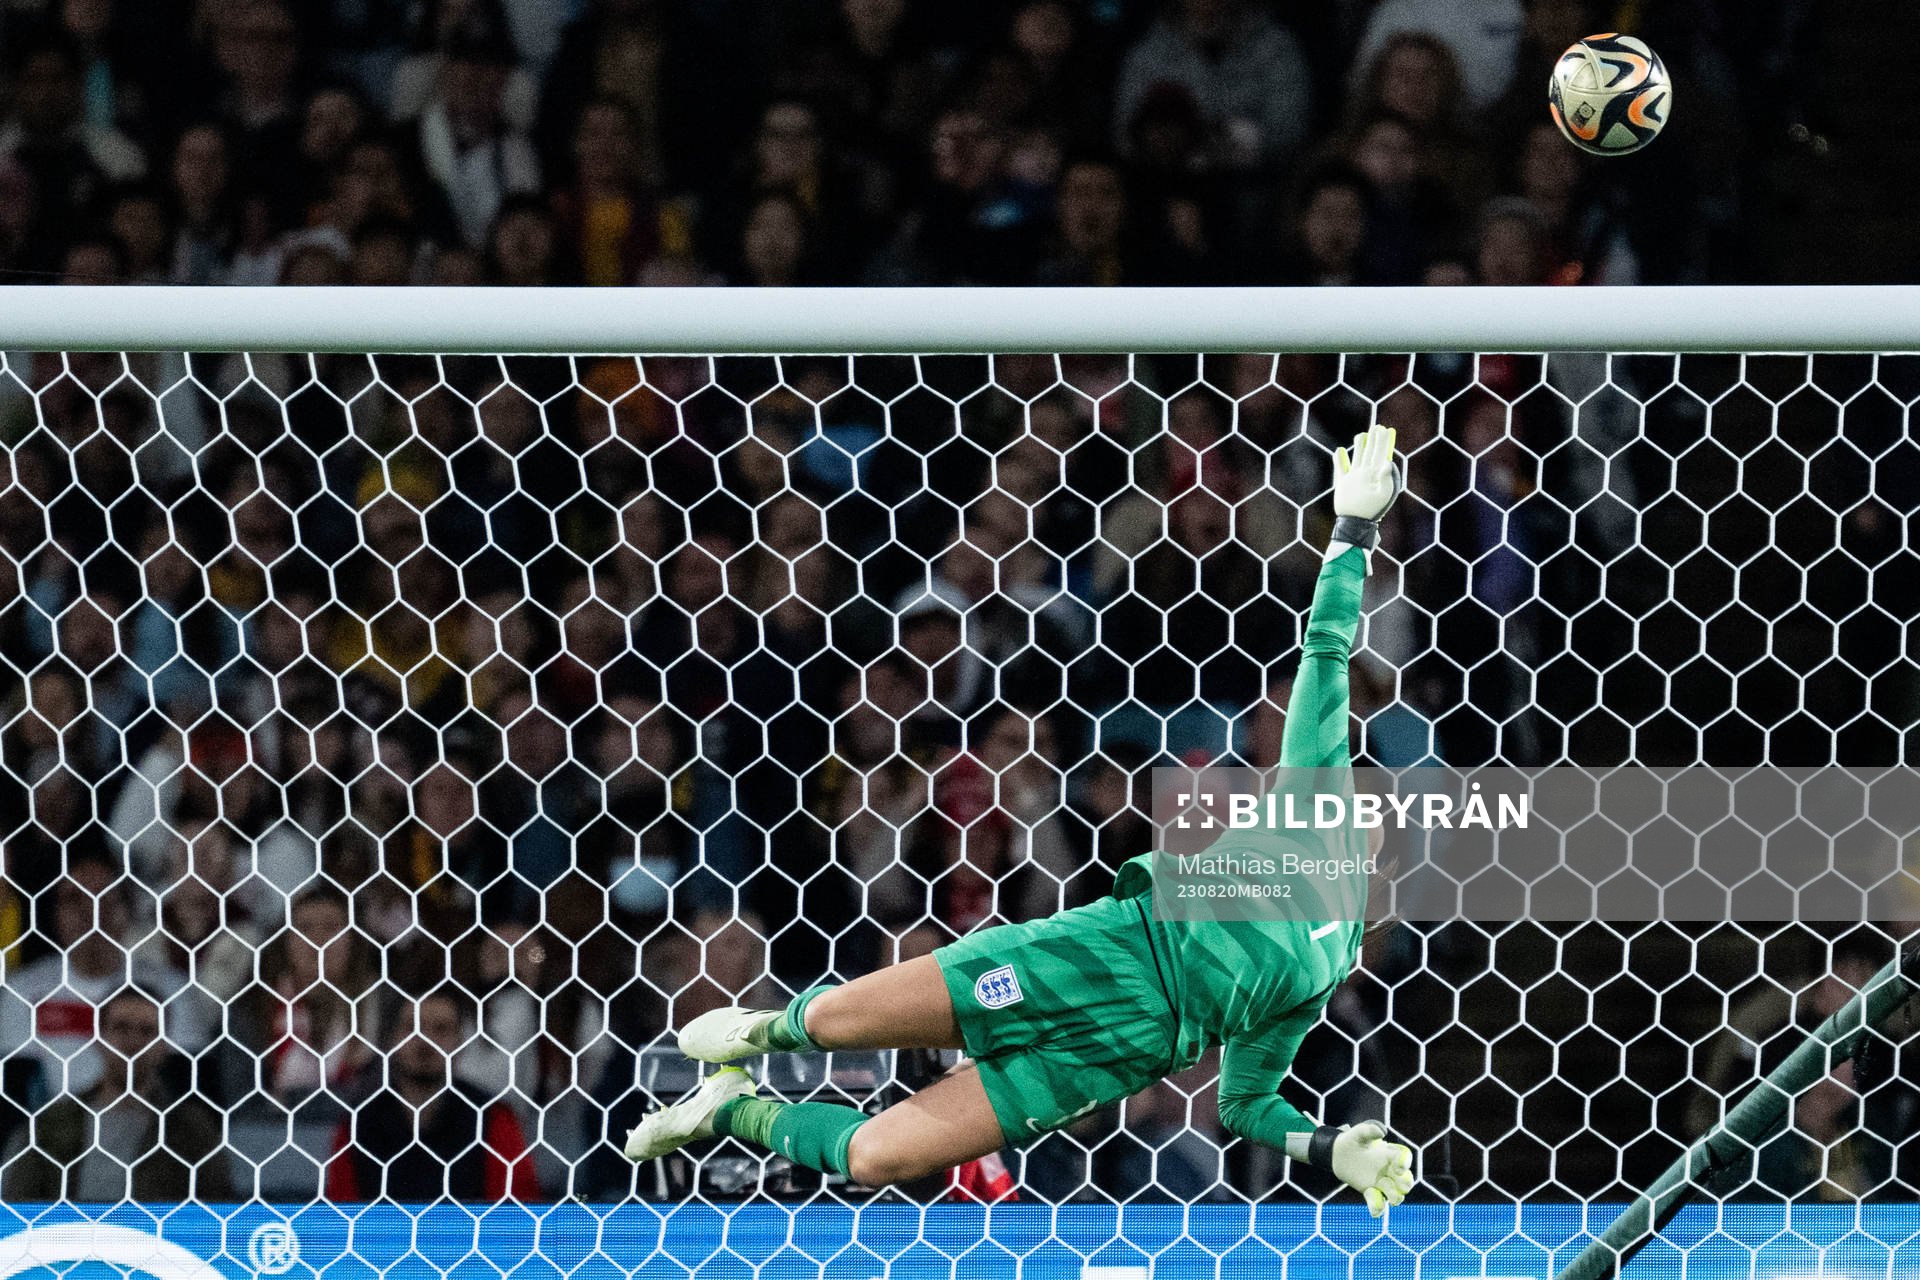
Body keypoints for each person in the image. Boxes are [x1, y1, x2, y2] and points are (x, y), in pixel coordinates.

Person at [624, 425, 1418, 1216]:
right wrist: (1353, 530)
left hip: (1110, 1058)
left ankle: (728, 1110)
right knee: (828, 1022)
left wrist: (1327, 1145)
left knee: (876, 1156)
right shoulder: (1302, 809)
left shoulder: (1326, 965)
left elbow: (1246, 1100)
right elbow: (1325, 651)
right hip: (1089, 958)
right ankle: (756, 1044)